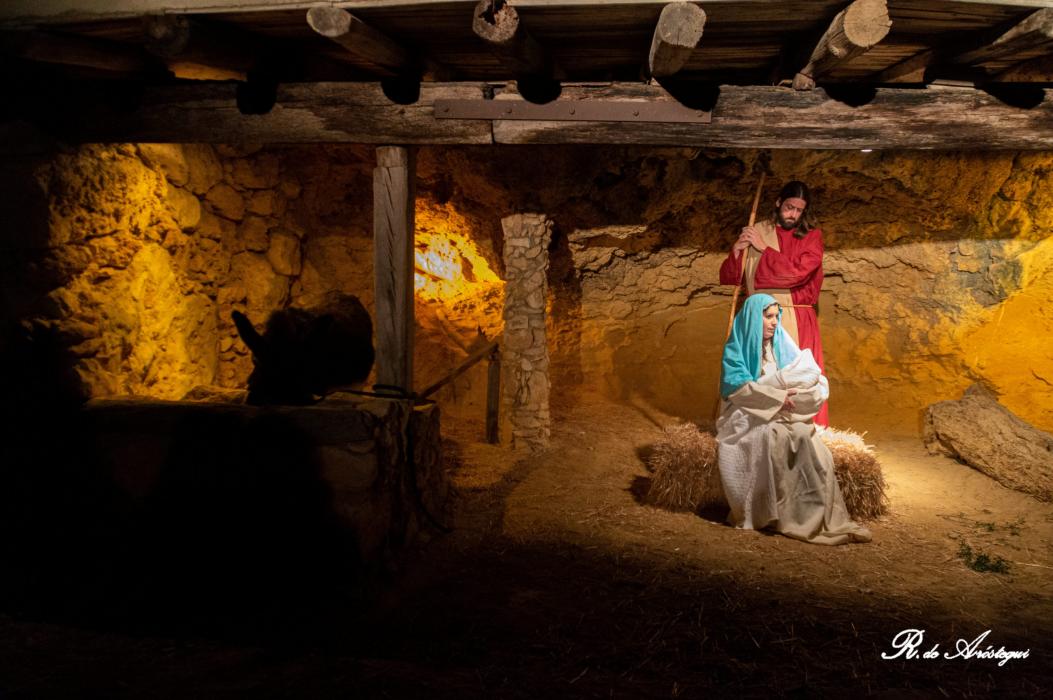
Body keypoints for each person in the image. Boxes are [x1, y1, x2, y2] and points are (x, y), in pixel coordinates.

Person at [716, 294, 870, 546]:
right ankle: (781, 514)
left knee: (807, 437)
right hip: (747, 414)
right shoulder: (736, 349)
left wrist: (791, 393)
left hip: (780, 409)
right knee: (780, 437)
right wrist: (776, 395)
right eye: (768, 317)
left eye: (776, 316)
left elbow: (808, 371)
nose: (774, 322)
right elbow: (739, 391)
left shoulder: (781, 342)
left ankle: (810, 512)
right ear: (754, 319)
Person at [719, 180, 829, 426]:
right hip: (758, 317)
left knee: (795, 375)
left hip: (796, 317)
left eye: (799, 210)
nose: (793, 215)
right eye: (789, 207)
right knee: (759, 372)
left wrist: (763, 248)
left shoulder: (812, 237)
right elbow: (733, 278)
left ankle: (799, 427)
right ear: (779, 203)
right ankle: (754, 427)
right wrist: (738, 251)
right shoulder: (759, 230)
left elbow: (797, 273)